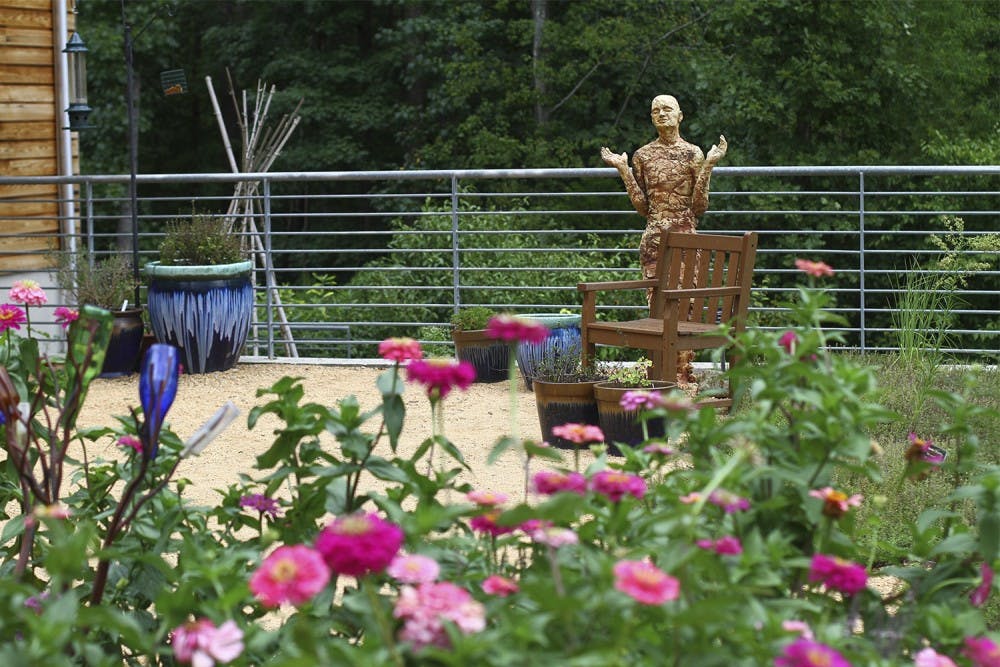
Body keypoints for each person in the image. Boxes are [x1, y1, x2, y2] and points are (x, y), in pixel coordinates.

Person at [600, 94, 727, 384]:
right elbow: (643, 207)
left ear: (680, 115)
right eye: (655, 110)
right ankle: (661, 371)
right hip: (654, 238)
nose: (661, 114)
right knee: (656, 305)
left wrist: (709, 164)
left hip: (685, 237)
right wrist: (623, 169)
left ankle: (682, 371)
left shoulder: (692, 153)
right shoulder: (642, 155)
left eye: (667, 109)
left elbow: (699, 207)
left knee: (686, 303)